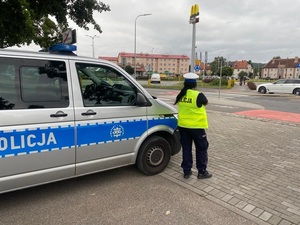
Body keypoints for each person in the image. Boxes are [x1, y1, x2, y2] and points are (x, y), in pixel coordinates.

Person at [174, 73, 212, 179]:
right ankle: (202, 172)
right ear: (195, 84)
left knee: (186, 149)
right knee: (201, 149)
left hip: (183, 127)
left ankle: (187, 171)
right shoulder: (198, 95)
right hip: (197, 128)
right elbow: (206, 103)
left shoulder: (181, 95)